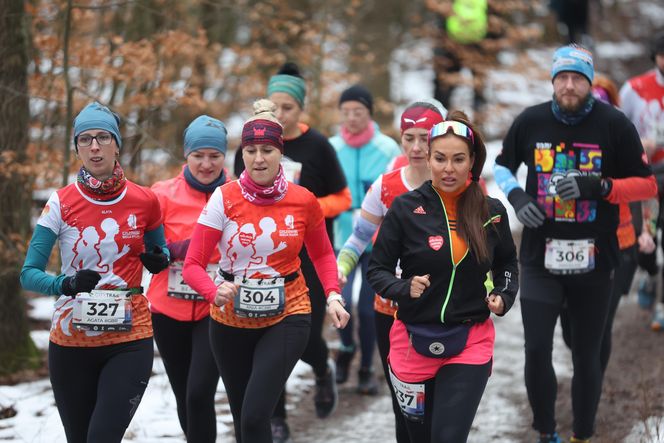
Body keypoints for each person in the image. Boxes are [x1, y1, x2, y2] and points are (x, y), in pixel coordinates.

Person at [494, 44, 657, 443]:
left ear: (588, 82)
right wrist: (517, 197)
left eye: (578, 79)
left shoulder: (614, 124)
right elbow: (501, 165)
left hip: (595, 257)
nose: (569, 86)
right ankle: (545, 430)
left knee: (587, 354)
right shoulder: (530, 121)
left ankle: (582, 434)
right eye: (562, 78)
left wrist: (601, 187)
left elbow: (647, 184)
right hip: (538, 257)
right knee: (536, 350)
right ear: (553, 81)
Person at [182, 99, 350, 443]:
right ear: (242, 154)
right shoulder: (223, 198)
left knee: (258, 413)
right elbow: (193, 265)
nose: (259, 158)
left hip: (289, 312)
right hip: (230, 319)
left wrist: (333, 294)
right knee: (245, 419)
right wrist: (215, 293)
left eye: (268, 150)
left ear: (280, 153)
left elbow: (321, 255)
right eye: (252, 150)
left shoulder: (303, 200)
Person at [20, 102, 170, 443]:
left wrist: (158, 261)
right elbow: (28, 274)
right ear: (76, 148)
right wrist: (66, 283)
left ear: (117, 144)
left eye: (103, 137)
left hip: (129, 340)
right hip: (71, 341)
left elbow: (160, 252)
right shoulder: (60, 203)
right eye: (85, 139)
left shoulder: (145, 200)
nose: (94, 146)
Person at [366, 113, 519, 442]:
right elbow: (376, 269)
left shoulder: (490, 211)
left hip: (470, 341)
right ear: (429, 159)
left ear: (472, 161)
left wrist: (504, 295)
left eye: (458, 159)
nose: (448, 168)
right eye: (440, 158)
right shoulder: (405, 209)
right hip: (411, 342)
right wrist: (403, 287)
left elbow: (506, 261)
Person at [233, 62, 351, 442]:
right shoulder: (250, 145)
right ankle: (277, 417)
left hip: (308, 259)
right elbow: (237, 196)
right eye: (275, 106)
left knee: (304, 339)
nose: (280, 114)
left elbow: (344, 197)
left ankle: (321, 370)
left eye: (288, 107)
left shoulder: (318, 146)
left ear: (301, 109)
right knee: (264, 335)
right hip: (260, 261)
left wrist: (306, 208)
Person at [337, 98, 445, 443]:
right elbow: (358, 239)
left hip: (443, 310)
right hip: (392, 310)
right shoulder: (385, 186)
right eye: (408, 137)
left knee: (439, 406)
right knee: (406, 405)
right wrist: (341, 269)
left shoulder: (457, 185)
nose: (416, 147)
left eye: (425, 138)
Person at [146, 115, 229, 442]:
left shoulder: (237, 192)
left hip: (216, 306)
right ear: (186, 155)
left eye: (214, 156)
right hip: (168, 309)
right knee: (184, 395)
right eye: (199, 156)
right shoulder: (162, 194)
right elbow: (143, 244)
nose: (206, 164)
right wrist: (170, 249)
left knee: (199, 392)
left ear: (224, 156)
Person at [330, 84, 401, 394]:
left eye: (358, 112)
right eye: (346, 112)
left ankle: (367, 368)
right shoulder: (332, 147)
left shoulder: (387, 149)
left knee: (369, 306)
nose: (352, 118)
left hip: (378, 241)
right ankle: (346, 351)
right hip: (342, 238)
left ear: (369, 113)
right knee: (340, 299)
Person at [619, 31, 664, 330]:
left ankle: (661, 306)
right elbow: (618, 131)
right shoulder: (634, 89)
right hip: (646, 176)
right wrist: (639, 145)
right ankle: (650, 275)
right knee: (646, 239)